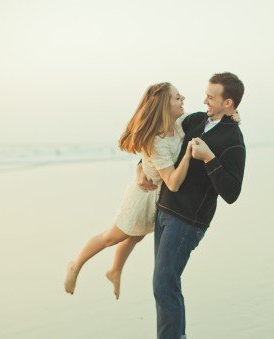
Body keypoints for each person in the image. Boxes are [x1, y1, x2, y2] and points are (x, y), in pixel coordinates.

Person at [132, 72, 246, 339]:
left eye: (210, 96)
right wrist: (139, 167)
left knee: (163, 283)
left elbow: (232, 193)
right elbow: (161, 138)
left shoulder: (232, 139)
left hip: (190, 220)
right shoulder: (195, 120)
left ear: (228, 102)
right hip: (166, 210)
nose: (203, 100)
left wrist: (209, 158)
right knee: (169, 282)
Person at [64, 82, 194, 299]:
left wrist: (233, 114)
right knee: (111, 237)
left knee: (135, 237)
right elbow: (170, 178)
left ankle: (114, 270)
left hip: (157, 195)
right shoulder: (156, 140)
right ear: (164, 105)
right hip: (143, 195)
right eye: (177, 97)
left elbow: (207, 117)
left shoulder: (178, 122)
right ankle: (75, 266)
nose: (183, 99)